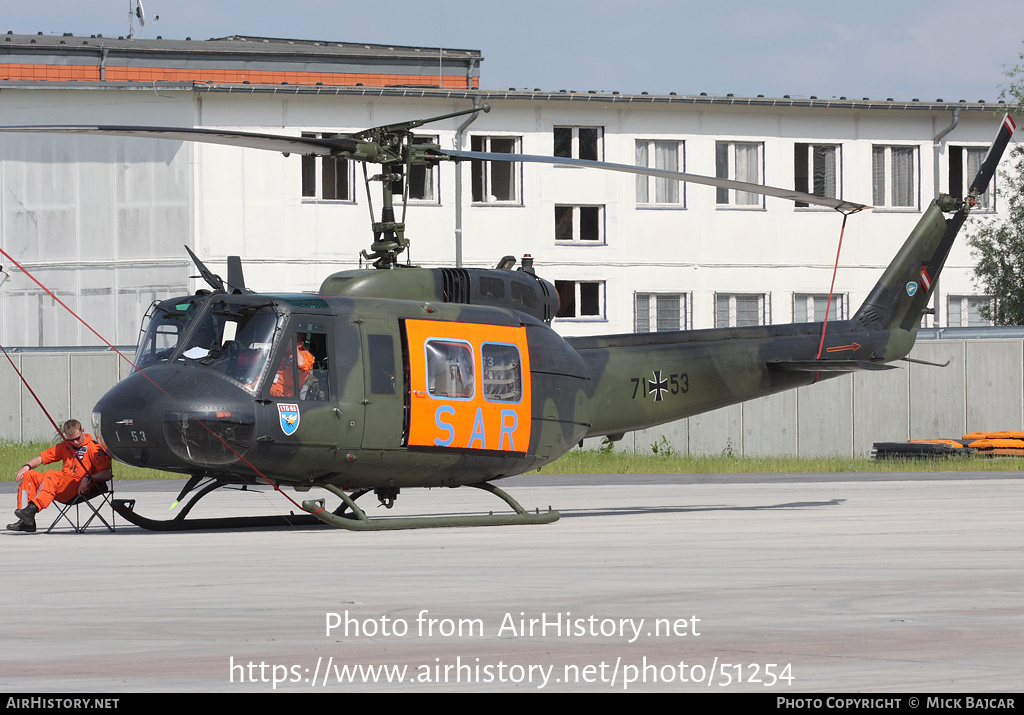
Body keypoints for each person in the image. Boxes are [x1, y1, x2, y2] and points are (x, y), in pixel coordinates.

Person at [7, 419, 113, 533]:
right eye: (71, 440)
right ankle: (26, 520)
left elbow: (107, 473)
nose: (75, 443)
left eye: (77, 438)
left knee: (51, 475)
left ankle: (33, 508)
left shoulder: (93, 448)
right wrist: (27, 466)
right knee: (30, 476)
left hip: (80, 488)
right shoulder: (65, 447)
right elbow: (41, 458)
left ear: (82, 431)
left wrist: (87, 478)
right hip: (63, 485)